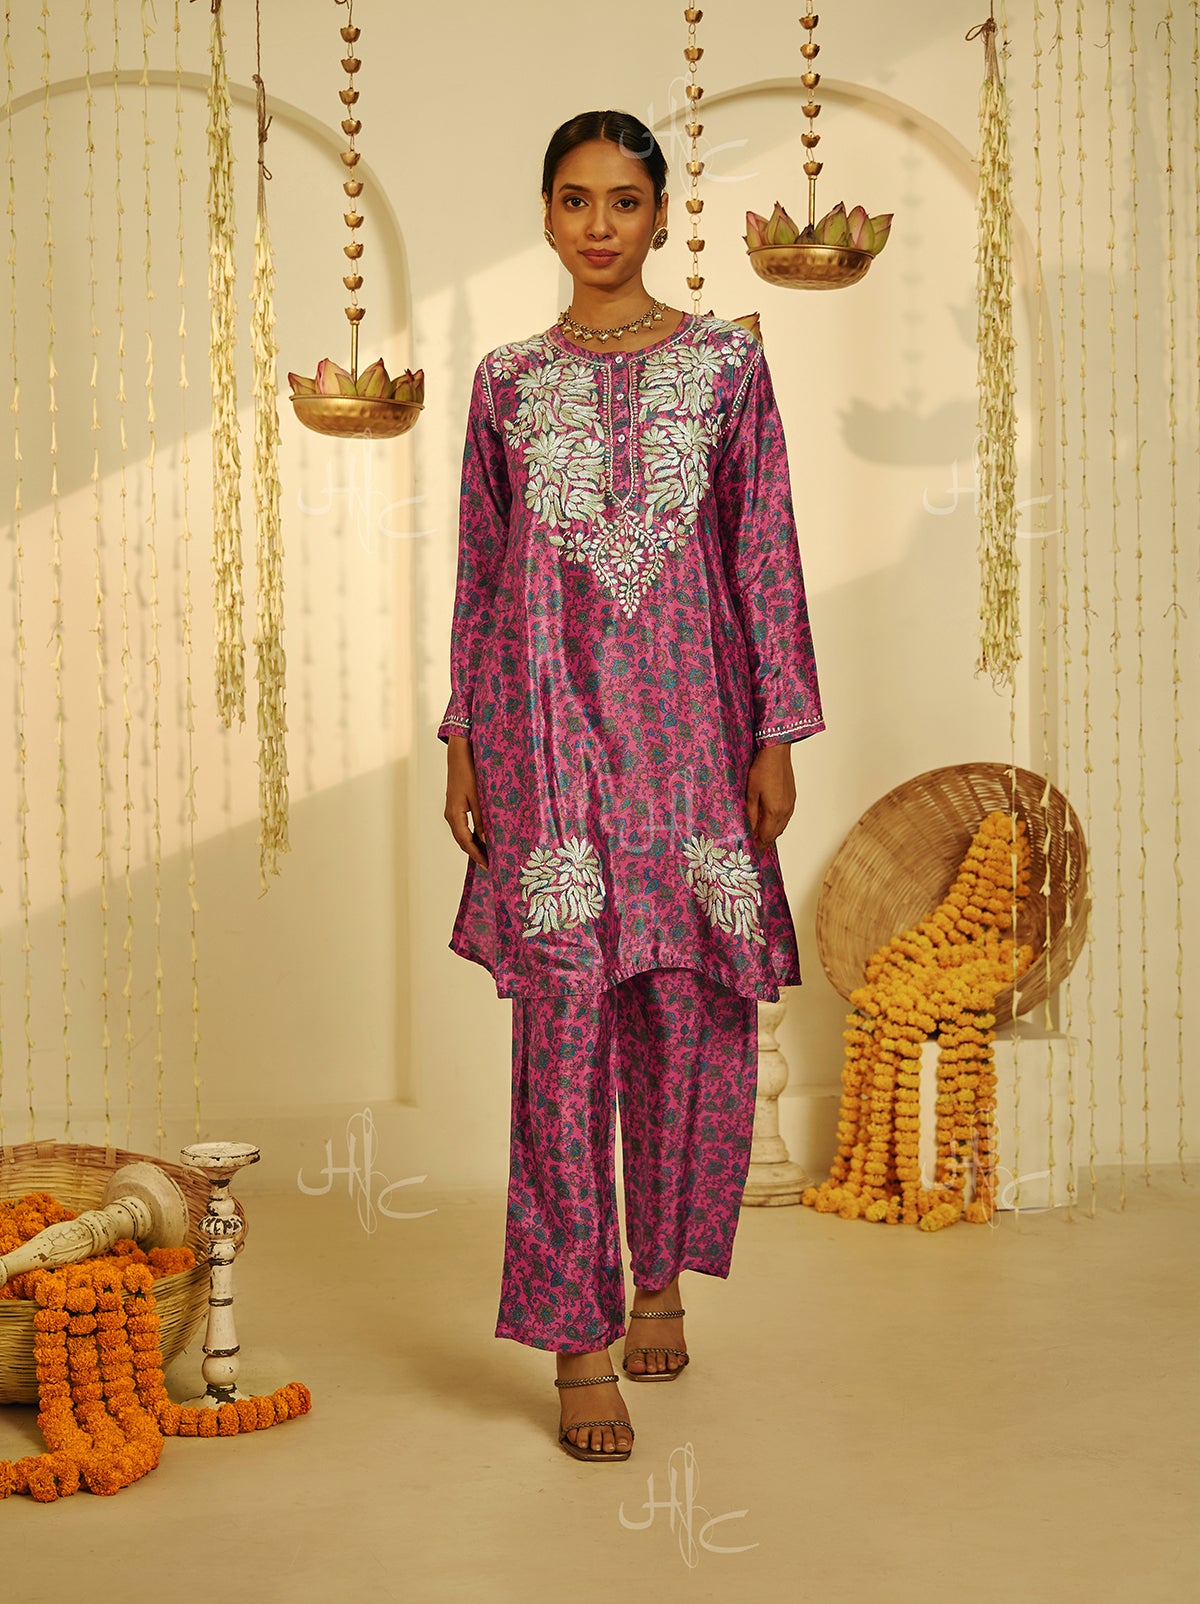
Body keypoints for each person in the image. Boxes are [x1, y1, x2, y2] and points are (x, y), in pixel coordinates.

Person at [440, 109, 825, 1462]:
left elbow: (763, 546)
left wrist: (776, 729)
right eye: (574, 199)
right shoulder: (504, 383)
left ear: (661, 215)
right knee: (562, 1031)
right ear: (545, 217)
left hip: (694, 737)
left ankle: (657, 1276)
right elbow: (482, 567)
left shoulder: (727, 367)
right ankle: (577, 1339)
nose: (598, 223)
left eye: (623, 199)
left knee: (685, 1016)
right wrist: (464, 734)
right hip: (545, 735)